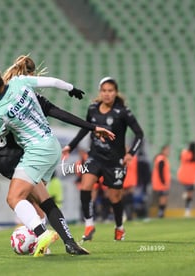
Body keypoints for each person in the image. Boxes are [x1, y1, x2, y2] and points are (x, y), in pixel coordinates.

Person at [0, 56, 114, 256]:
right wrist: (88, 120)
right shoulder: (25, 88)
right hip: (16, 157)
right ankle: (68, 242)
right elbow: (61, 111)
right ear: (28, 75)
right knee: (43, 199)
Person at [62, 76, 144, 241]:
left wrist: (130, 154)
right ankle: (89, 225)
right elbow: (85, 129)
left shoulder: (123, 112)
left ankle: (119, 227)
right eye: (104, 91)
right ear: (100, 92)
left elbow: (139, 134)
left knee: (115, 198)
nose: (107, 94)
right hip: (95, 156)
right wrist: (70, 146)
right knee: (85, 187)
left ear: (115, 92)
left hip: (115, 161)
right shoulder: (93, 109)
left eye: (110, 91)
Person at [177, 142, 195, 217]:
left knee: (188, 192)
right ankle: (187, 210)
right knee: (190, 194)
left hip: (182, 175)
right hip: (190, 178)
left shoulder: (184, 153)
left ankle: (187, 209)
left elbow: (179, 157)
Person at [151, 145, 171, 218]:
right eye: (167, 150)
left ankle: (161, 212)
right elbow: (160, 171)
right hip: (161, 183)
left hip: (162, 183)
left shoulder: (162, 158)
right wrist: (163, 181)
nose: (169, 152)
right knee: (162, 198)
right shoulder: (161, 159)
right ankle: (160, 213)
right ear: (163, 150)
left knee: (164, 198)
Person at [122, 147, 138, 221]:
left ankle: (129, 215)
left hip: (129, 181)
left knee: (129, 198)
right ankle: (124, 214)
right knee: (121, 198)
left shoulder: (132, 158)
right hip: (122, 180)